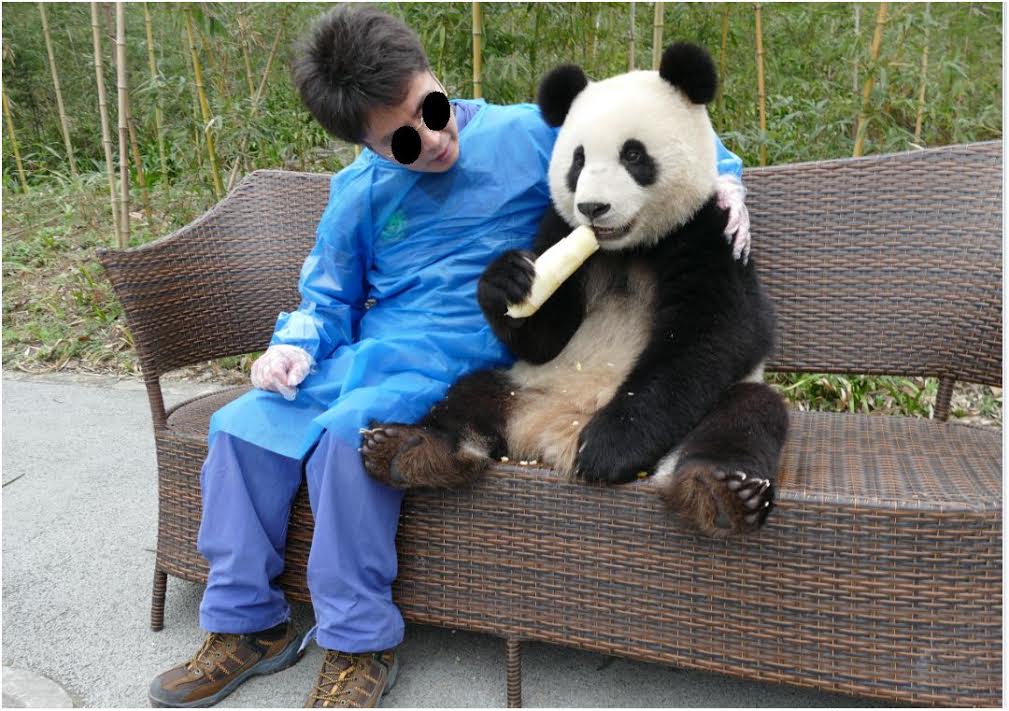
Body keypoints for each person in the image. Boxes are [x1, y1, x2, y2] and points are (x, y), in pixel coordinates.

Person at [147, 5, 753, 708]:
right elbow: (327, 298)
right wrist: (289, 347)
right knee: (242, 428)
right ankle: (247, 623)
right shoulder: (358, 195)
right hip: (371, 352)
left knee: (349, 440)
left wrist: (726, 178)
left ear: (433, 75)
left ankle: (358, 641)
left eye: (431, 109)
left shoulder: (527, 133)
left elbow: (651, 131)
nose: (433, 138)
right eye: (403, 140)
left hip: (465, 356)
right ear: (366, 147)